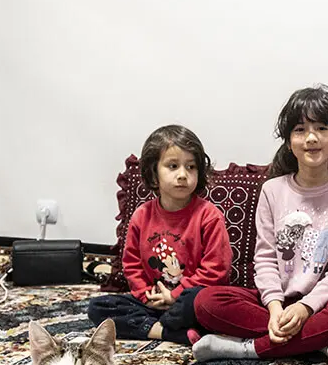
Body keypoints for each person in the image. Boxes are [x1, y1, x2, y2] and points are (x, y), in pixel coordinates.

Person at [192, 85, 328, 362]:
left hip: (323, 304)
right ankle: (316, 341)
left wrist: (306, 309)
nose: (311, 137)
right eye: (300, 130)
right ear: (288, 141)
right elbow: (263, 258)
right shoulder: (272, 190)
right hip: (274, 302)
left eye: (322, 128)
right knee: (205, 303)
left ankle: (245, 348)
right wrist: (275, 309)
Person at [86, 125, 231, 346]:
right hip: (152, 302)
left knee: (214, 306)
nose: (183, 175)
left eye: (191, 167)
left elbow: (216, 270)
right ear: (154, 174)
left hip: (191, 301)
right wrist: (146, 296)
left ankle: (166, 325)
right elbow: (131, 264)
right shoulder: (141, 216)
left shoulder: (209, 216)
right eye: (173, 166)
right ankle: (166, 332)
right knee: (99, 308)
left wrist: (175, 296)